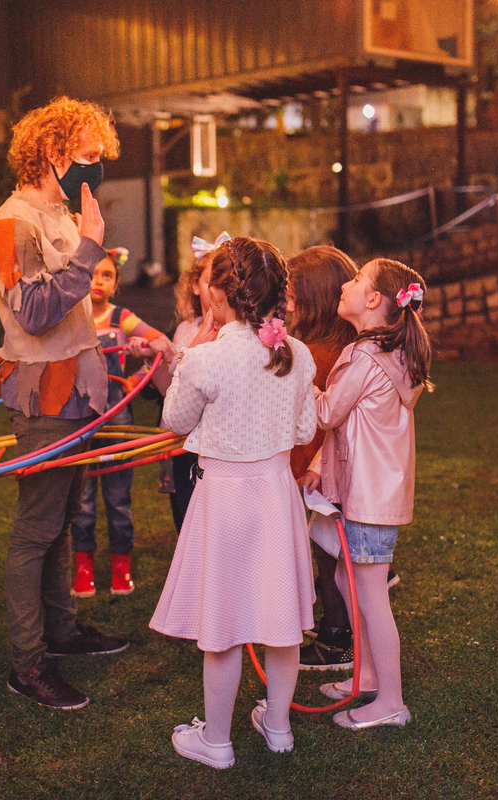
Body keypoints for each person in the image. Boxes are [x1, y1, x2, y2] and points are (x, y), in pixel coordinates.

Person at [0, 96, 129, 711]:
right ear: (53, 152)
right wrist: (91, 248)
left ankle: (61, 633)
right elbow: (32, 313)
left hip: (80, 389)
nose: (95, 168)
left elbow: (67, 307)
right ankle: (28, 663)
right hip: (43, 393)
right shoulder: (11, 223)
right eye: (88, 157)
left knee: (63, 517)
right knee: (36, 528)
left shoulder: (60, 213)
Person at [150, 237, 318, 768]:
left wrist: (194, 348)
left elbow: (173, 422)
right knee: (280, 618)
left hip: (223, 500)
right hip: (275, 496)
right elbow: (306, 426)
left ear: (219, 295)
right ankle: (278, 727)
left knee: (221, 625)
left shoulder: (207, 357)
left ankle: (217, 741)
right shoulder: (298, 354)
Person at [301, 258, 433, 730]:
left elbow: (327, 414)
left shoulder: (365, 357)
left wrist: (295, 374)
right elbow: (352, 424)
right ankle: (368, 675)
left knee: (371, 593)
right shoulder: (382, 354)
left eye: (357, 280)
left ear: (374, 300)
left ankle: (391, 701)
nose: (346, 283)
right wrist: (318, 466)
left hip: (370, 499)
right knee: (344, 580)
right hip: (367, 492)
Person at [70, 247, 173, 598]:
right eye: (92, 274)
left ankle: (120, 566)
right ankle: (82, 567)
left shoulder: (122, 318)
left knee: (117, 497)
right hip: (79, 422)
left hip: (117, 422)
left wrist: (137, 377)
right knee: (80, 499)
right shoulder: (72, 318)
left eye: (107, 275)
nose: (98, 281)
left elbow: (162, 344)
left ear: (116, 285)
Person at [283, 247, 361, 672]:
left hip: (319, 470)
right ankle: (337, 631)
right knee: (329, 548)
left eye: (294, 291)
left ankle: (338, 639)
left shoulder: (316, 354)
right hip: (327, 468)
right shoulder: (339, 346)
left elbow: (316, 420)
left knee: (329, 551)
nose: (287, 299)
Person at [164, 232, 229, 533]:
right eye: (208, 281)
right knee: (189, 520)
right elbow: (175, 398)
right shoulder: (186, 331)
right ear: (194, 285)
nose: (216, 290)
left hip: (223, 445)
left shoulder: (236, 335)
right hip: (187, 445)